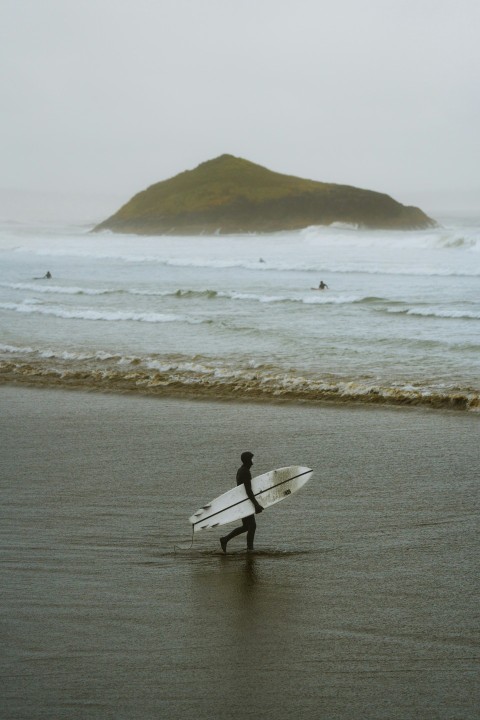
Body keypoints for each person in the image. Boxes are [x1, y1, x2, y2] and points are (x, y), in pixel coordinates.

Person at [220, 451, 263, 553]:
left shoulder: (241, 470)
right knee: (252, 526)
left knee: (246, 527)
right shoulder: (245, 472)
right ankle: (250, 549)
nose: (253, 462)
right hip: (244, 502)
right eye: (251, 459)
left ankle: (225, 539)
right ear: (248, 460)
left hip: (242, 501)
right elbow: (248, 490)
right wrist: (256, 505)